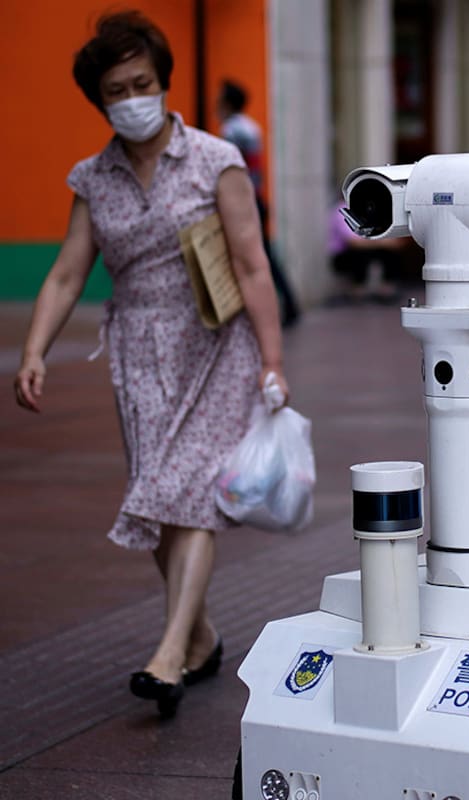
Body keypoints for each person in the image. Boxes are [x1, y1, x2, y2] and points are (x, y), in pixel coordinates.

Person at [13, 12, 290, 718]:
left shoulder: (214, 160)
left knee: (190, 494)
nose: (133, 97)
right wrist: (34, 349)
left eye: (143, 82)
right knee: (157, 499)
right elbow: (68, 274)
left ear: (163, 83)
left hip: (213, 345)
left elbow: (254, 267)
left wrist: (272, 361)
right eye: (117, 88)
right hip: (137, 353)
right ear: (100, 100)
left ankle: (168, 655)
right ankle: (200, 635)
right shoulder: (93, 177)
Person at [216, 79, 301, 327]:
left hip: (245, 203)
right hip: (257, 200)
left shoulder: (231, 131)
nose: (215, 104)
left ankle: (275, 309)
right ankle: (288, 305)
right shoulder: (250, 127)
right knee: (264, 255)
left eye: (219, 99)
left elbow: (230, 171)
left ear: (228, 103)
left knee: (256, 257)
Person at [328, 199, 407, 304]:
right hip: (343, 255)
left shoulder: (367, 207)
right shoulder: (343, 209)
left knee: (388, 252)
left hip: (363, 249)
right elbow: (353, 242)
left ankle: (387, 287)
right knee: (362, 253)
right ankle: (357, 288)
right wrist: (384, 243)